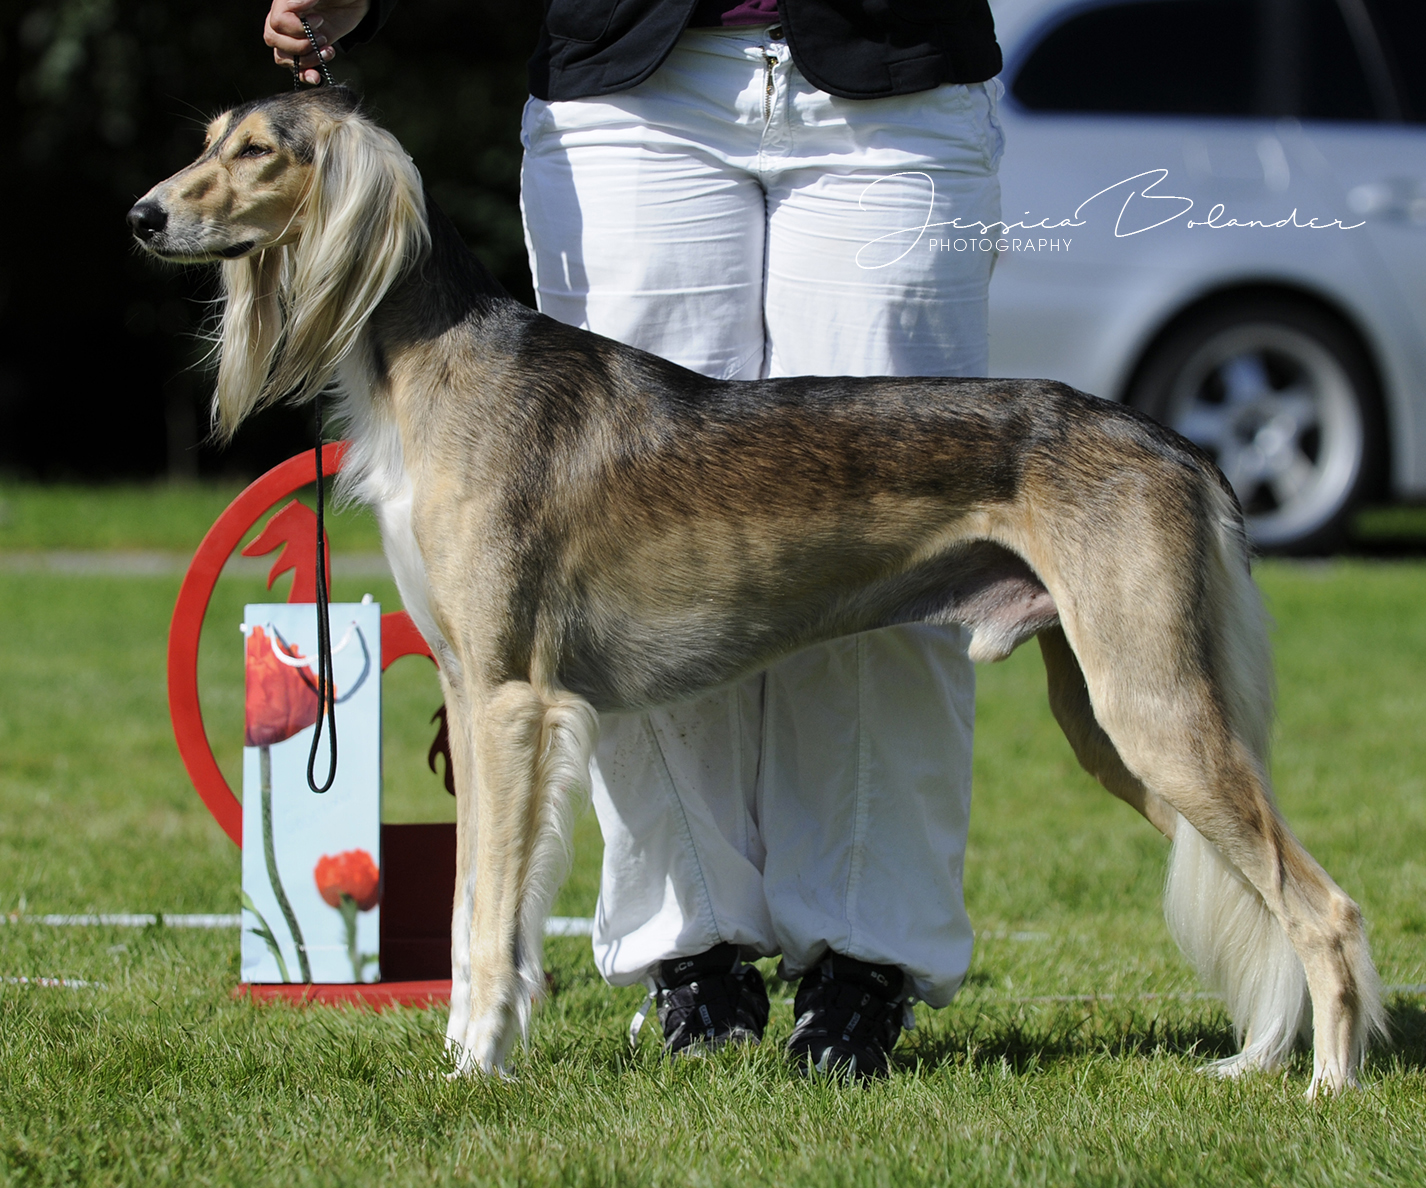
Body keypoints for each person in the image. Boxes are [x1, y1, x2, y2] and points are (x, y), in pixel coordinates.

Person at [265, 0, 1004, 1078]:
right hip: (628, 89)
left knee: (895, 536)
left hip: (896, 72)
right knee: (619, 556)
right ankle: (691, 953)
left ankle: (864, 963)